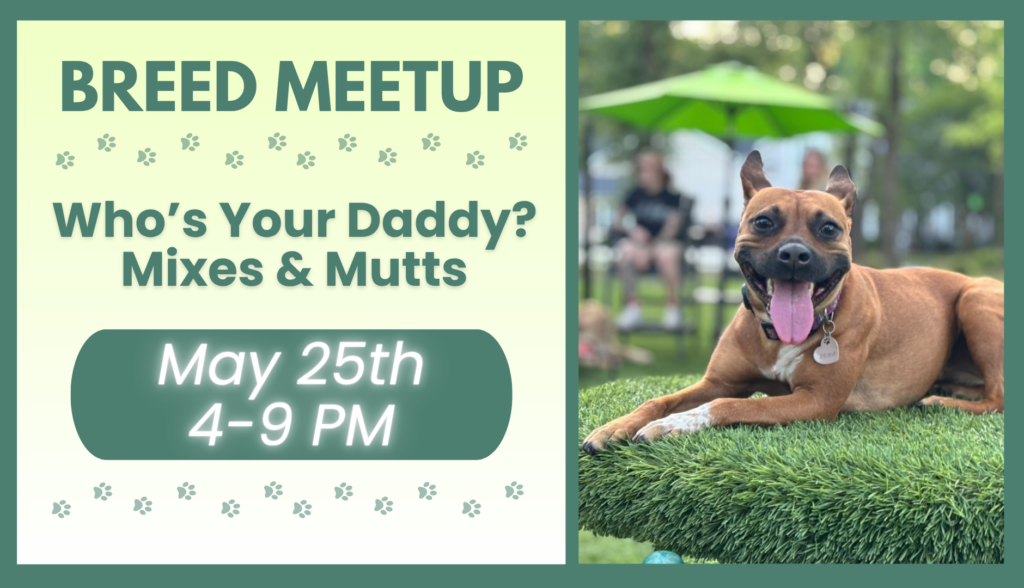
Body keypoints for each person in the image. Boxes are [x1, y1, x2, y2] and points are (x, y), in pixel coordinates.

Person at [614, 149, 690, 330]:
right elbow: (618, 221)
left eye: (646, 169)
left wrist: (649, 249)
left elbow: (671, 229)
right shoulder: (634, 195)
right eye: (640, 169)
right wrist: (633, 231)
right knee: (625, 250)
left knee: (667, 255)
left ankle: (672, 307)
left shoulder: (673, 198)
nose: (642, 174)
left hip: (663, 244)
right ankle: (631, 306)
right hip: (638, 245)